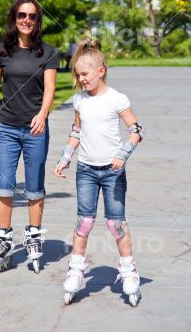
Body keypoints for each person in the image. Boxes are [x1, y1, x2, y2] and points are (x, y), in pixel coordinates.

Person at [54, 38, 145, 306]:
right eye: (78, 75)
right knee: (84, 222)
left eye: (85, 74)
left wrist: (123, 153)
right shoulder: (79, 100)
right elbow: (76, 132)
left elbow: (136, 131)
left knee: (115, 223)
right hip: (86, 170)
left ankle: (129, 273)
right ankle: (76, 270)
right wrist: (66, 157)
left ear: (101, 71)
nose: (81, 80)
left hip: (113, 171)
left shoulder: (117, 99)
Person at [0, 0, 60, 274]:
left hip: (35, 127)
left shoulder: (48, 52)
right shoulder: (2, 50)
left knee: (34, 185)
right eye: (22, 15)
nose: (27, 20)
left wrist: (43, 114)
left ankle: (34, 236)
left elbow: (50, 89)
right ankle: (3, 239)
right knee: (4, 184)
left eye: (32, 16)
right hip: (7, 128)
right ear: (15, 18)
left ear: (38, 21)